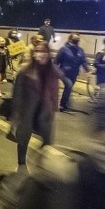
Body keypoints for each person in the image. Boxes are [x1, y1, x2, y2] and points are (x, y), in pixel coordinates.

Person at [10, 40, 62, 172]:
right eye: (38, 51)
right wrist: (15, 115)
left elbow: (55, 91)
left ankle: (39, 164)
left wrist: (54, 108)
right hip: (27, 112)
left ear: (49, 54)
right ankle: (21, 165)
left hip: (44, 113)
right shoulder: (24, 72)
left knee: (48, 141)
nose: (41, 54)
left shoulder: (52, 72)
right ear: (33, 54)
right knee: (23, 140)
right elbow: (17, 95)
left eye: (44, 51)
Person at [54, 32, 89, 112]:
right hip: (64, 73)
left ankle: (66, 103)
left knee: (68, 88)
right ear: (70, 39)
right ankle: (62, 105)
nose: (77, 39)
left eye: (78, 38)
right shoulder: (63, 49)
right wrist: (56, 72)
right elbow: (56, 62)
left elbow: (83, 61)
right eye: (75, 38)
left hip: (74, 74)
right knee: (69, 85)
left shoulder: (80, 51)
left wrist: (87, 70)